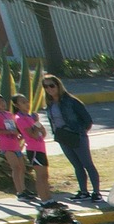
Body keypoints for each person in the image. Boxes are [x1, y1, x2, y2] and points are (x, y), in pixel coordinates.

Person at [39, 76, 100, 205]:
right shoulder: (49, 104)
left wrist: (79, 131)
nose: (49, 89)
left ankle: (96, 192)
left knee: (87, 164)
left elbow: (87, 120)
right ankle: (83, 191)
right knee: (76, 165)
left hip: (77, 135)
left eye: (51, 85)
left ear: (58, 85)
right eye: (46, 86)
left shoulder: (71, 101)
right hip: (62, 137)